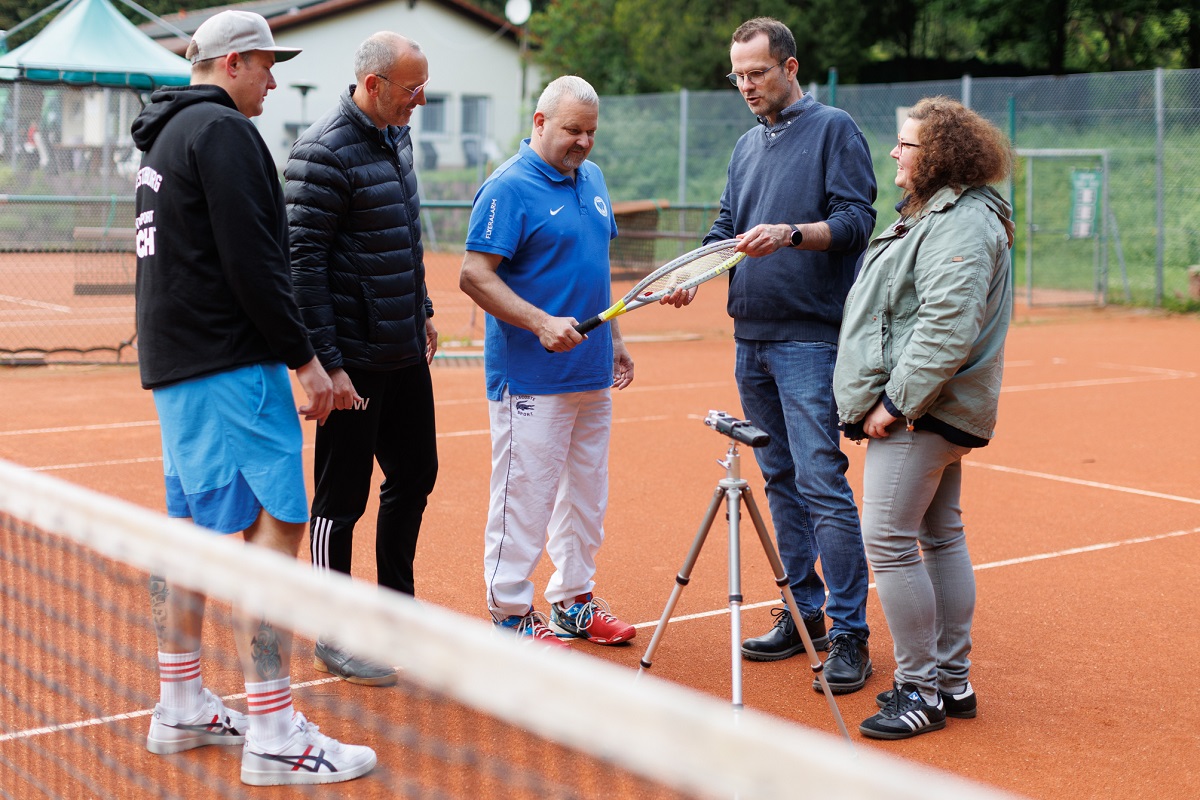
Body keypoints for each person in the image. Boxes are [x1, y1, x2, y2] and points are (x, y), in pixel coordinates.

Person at [132, 10, 376, 785]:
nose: (275, 79)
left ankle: (180, 704)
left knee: (193, 537)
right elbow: (254, 260)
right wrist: (306, 361)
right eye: (267, 65)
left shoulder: (165, 136)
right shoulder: (226, 133)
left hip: (180, 366)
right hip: (231, 365)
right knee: (279, 526)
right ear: (232, 62)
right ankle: (272, 728)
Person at [703, 17, 877, 693]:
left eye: (757, 73)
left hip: (810, 338)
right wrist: (692, 276)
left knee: (820, 481)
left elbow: (857, 221)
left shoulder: (835, 129)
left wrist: (792, 233)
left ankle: (849, 633)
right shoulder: (747, 146)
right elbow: (725, 226)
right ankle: (802, 613)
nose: (746, 86)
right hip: (751, 335)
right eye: (737, 76)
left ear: (791, 67)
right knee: (778, 480)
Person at [834, 97, 1014, 739]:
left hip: (923, 413)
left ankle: (921, 691)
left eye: (905, 144)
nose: (895, 153)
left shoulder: (962, 221)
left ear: (936, 155)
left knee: (887, 539)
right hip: (932, 409)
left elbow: (946, 324)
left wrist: (893, 404)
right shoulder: (939, 213)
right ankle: (951, 681)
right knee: (939, 535)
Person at [458, 76, 637, 648]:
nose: (583, 142)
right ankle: (510, 612)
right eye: (571, 130)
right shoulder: (506, 188)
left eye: (590, 132)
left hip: (591, 371)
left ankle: (573, 599)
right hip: (530, 377)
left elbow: (595, 270)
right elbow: (473, 275)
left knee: (587, 496)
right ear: (540, 123)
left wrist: (619, 338)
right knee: (525, 497)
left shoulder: (595, 179)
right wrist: (539, 322)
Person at [285, 32, 438, 688]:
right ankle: (335, 632)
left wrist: (424, 306)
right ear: (374, 85)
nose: (421, 101)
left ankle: (393, 613)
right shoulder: (322, 151)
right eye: (412, 90)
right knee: (339, 500)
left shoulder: (395, 137)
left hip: (404, 350)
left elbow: (406, 232)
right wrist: (327, 361)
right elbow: (302, 265)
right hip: (353, 360)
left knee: (417, 475)